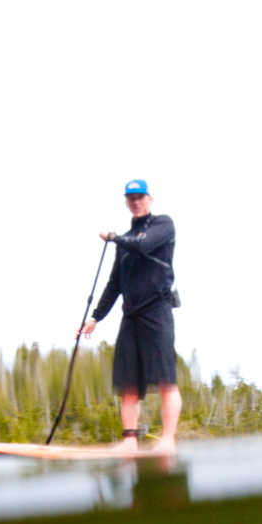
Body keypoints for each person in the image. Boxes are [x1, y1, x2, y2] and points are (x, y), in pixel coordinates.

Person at [80, 179, 181, 453]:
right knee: (128, 384)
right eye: (131, 198)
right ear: (126, 202)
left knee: (165, 380)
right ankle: (129, 441)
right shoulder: (123, 242)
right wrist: (95, 317)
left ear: (150, 199)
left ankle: (168, 440)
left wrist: (114, 238)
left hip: (157, 311)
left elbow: (144, 245)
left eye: (140, 197)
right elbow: (114, 284)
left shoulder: (163, 225)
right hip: (131, 316)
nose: (136, 202)